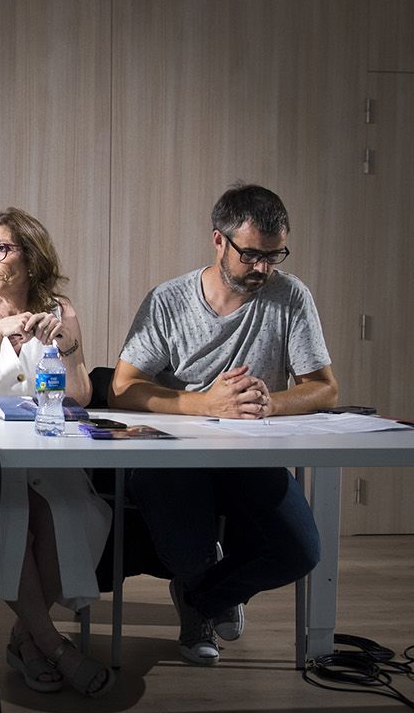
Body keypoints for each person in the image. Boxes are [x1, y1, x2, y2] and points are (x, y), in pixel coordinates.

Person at [110, 183, 337, 665]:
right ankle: (202, 596)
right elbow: (123, 387)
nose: (262, 268)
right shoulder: (169, 301)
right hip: (173, 455)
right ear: (218, 241)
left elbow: (324, 388)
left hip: (250, 454)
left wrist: (270, 404)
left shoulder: (290, 296)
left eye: (273, 256)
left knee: (300, 552)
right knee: (187, 551)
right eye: (251, 255)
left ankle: (201, 598)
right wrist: (205, 403)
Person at [0, 209, 113, 696]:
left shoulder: (61, 310)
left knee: (70, 513)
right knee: (16, 515)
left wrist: (66, 345)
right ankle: (52, 644)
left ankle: (24, 636)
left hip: (44, 457)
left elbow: (79, 395)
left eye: (0, 249)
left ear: (30, 257)